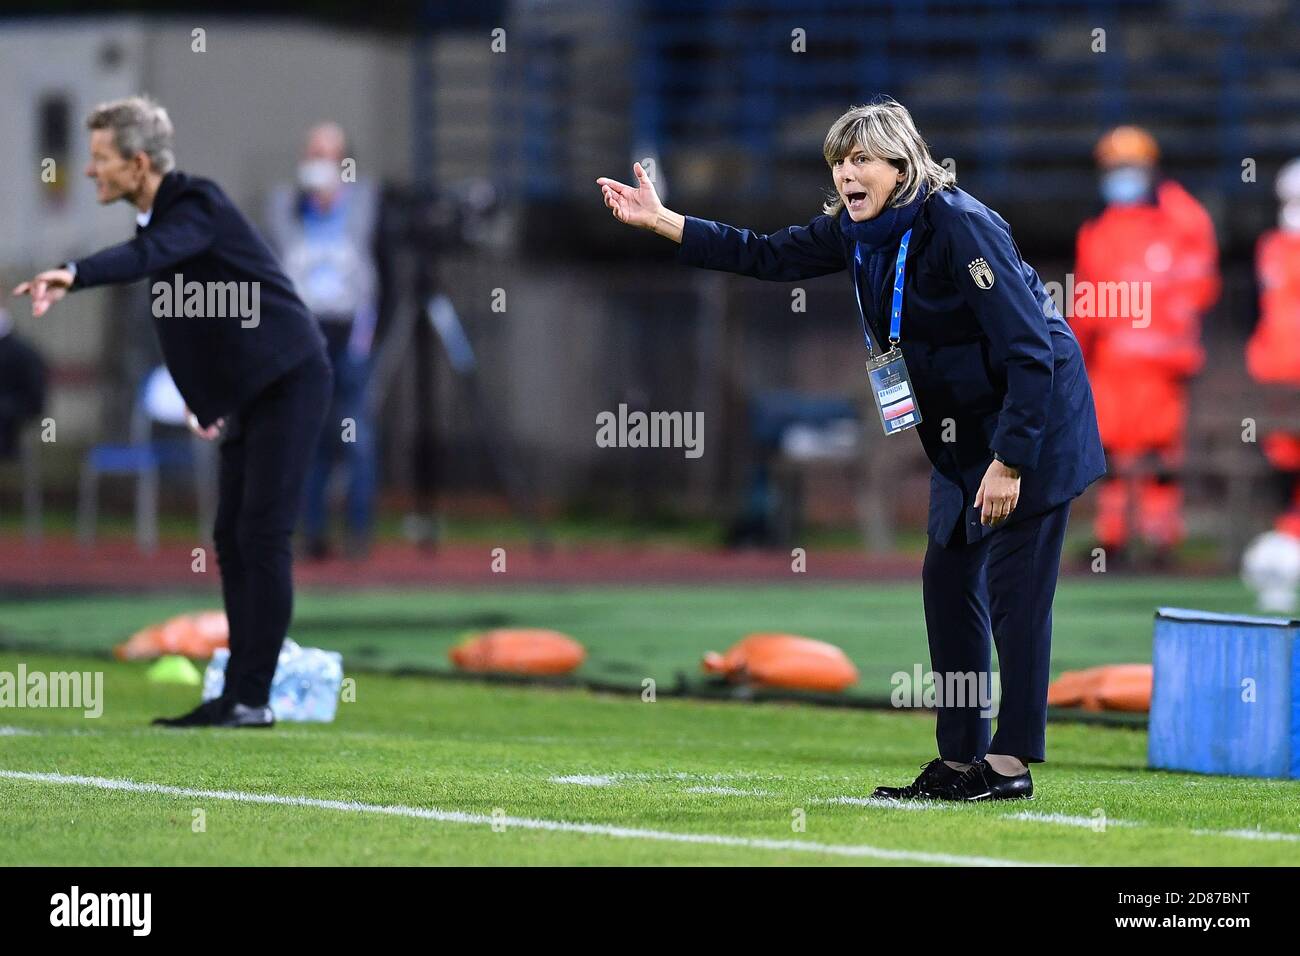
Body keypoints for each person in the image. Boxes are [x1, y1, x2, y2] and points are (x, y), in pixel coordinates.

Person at [598, 97, 1105, 800]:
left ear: (900, 166)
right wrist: (663, 220)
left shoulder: (959, 226)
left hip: (1034, 423)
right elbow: (765, 254)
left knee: (1017, 597)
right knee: (947, 584)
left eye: (861, 159)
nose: (846, 175)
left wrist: (1010, 461)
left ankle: (1009, 767)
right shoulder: (856, 230)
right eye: (839, 162)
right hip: (960, 433)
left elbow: (1030, 352)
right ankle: (960, 762)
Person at [13, 95, 331, 728]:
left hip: (291, 377)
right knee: (232, 536)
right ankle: (238, 693)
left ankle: (251, 698)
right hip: (255, 389)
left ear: (137, 163)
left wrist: (72, 273)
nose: (91, 171)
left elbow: (146, 262)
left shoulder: (196, 205)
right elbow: (193, 320)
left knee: (262, 534)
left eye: (100, 159)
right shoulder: (165, 223)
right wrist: (206, 399)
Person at [1072, 126, 1219, 563]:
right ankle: (1114, 537)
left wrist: (1170, 341)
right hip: (1111, 363)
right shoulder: (1098, 230)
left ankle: (1160, 540)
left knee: (1159, 452)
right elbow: (1085, 300)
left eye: (1130, 167)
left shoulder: (1179, 221)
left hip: (1160, 365)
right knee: (1111, 452)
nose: (1122, 176)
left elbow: (1198, 286)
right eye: (1115, 168)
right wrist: (1075, 354)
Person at [265, 122, 383, 561]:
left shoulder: (363, 202)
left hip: (350, 333)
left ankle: (358, 533)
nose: (319, 163)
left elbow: (376, 265)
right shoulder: (288, 205)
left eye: (328, 155)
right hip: (305, 331)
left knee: (355, 434)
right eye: (313, 153)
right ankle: (312, 533)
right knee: (307, 433)